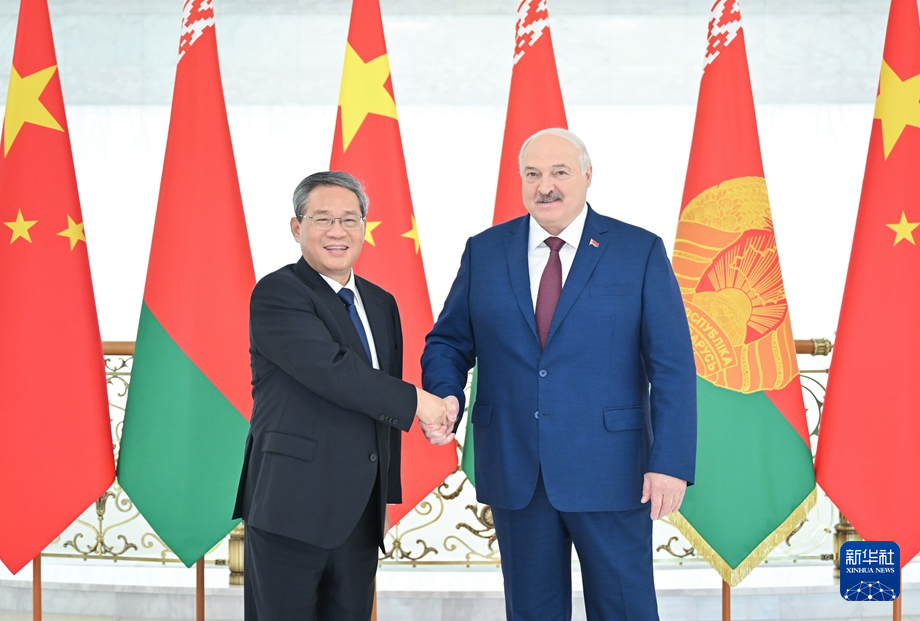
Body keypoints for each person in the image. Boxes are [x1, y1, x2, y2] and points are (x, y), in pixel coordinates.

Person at [421, 129, 697, 620]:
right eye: (532, 174)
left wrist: (671, 462)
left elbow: (672, 365)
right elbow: (448, 341)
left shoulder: (638, 251)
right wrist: (446, 395)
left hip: (613, 471)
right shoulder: (485, 251)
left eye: (559, 172)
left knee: (625, 610)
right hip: (516, 468)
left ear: (588, 176)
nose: (544, 186)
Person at [233, 171, 455, 621]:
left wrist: (384, 496)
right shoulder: (278, 293)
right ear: (296, 227)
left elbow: (379, 406)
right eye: (323, 219)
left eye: (350, 219)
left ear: (364, 228)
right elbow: (335, 373)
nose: (338, 231)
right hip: (290, 508)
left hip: (359, 515)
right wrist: (421, 403)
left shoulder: (381, 302)